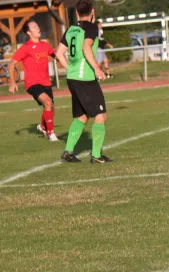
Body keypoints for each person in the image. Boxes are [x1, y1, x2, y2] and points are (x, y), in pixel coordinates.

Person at [55, 0, 111, 163]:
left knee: (82, 115)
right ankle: (97, 155)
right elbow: (87, 47)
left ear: (77, 13)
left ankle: (68, 152)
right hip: (85, 79)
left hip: (73, 78)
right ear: (92, 12)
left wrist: (70, 69)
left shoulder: (71, 29)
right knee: (100, 115)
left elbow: (59, 54)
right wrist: (97, 68)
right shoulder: (91, 28)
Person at [8, 20, 59, 142]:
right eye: (34, 27)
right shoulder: (25, 48)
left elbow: (57, 56)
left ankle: (42, 126)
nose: (38, 28)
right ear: (28, 32)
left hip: (46, 82)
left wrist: (69, 63)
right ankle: (51, 134)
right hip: (32, 83)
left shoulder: (45, 45)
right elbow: (11, 63)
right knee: (47, 103)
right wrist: (12, 81)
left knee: (51, 108)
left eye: (38, 26)